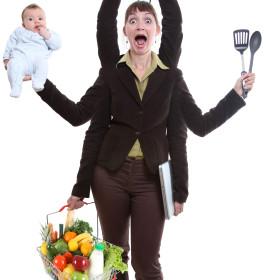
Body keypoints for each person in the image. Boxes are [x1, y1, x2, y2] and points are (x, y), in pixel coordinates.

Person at [34, 1, 255, 279]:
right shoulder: (111, 73)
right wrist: (42, 85)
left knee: (146, 263)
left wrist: (236, 95)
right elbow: (82, 119)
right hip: (108, 176)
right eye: (133, 21)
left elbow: (195, 127)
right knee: (115, 260)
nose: (140, 25)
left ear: (158, 30)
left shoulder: (170, 76)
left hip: (152, 179)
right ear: (124, 31)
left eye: (148, 20)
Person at [3, 3, 61, 97]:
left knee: (43, 64)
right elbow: (10, 44)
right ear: (23, 24)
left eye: (40, 19)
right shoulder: (19, 31)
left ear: (45, 21)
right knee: (12, 64)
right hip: (21, 57)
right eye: (30, 19)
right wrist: (6, 59)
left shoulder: (47, 32)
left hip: (38, 59)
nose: (36, 22)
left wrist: (46, 36)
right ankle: (16, 87)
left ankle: (38, 82)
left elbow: (57, 45)